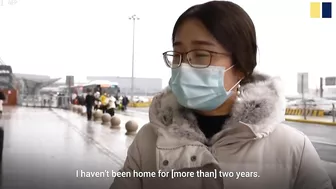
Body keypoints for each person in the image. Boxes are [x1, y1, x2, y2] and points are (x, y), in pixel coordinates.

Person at [110, 1, 332, 189]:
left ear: (242, 65)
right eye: (178, 54)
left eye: (201, 54)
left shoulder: (292, 148)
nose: (184, 66)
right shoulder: (148, 140)